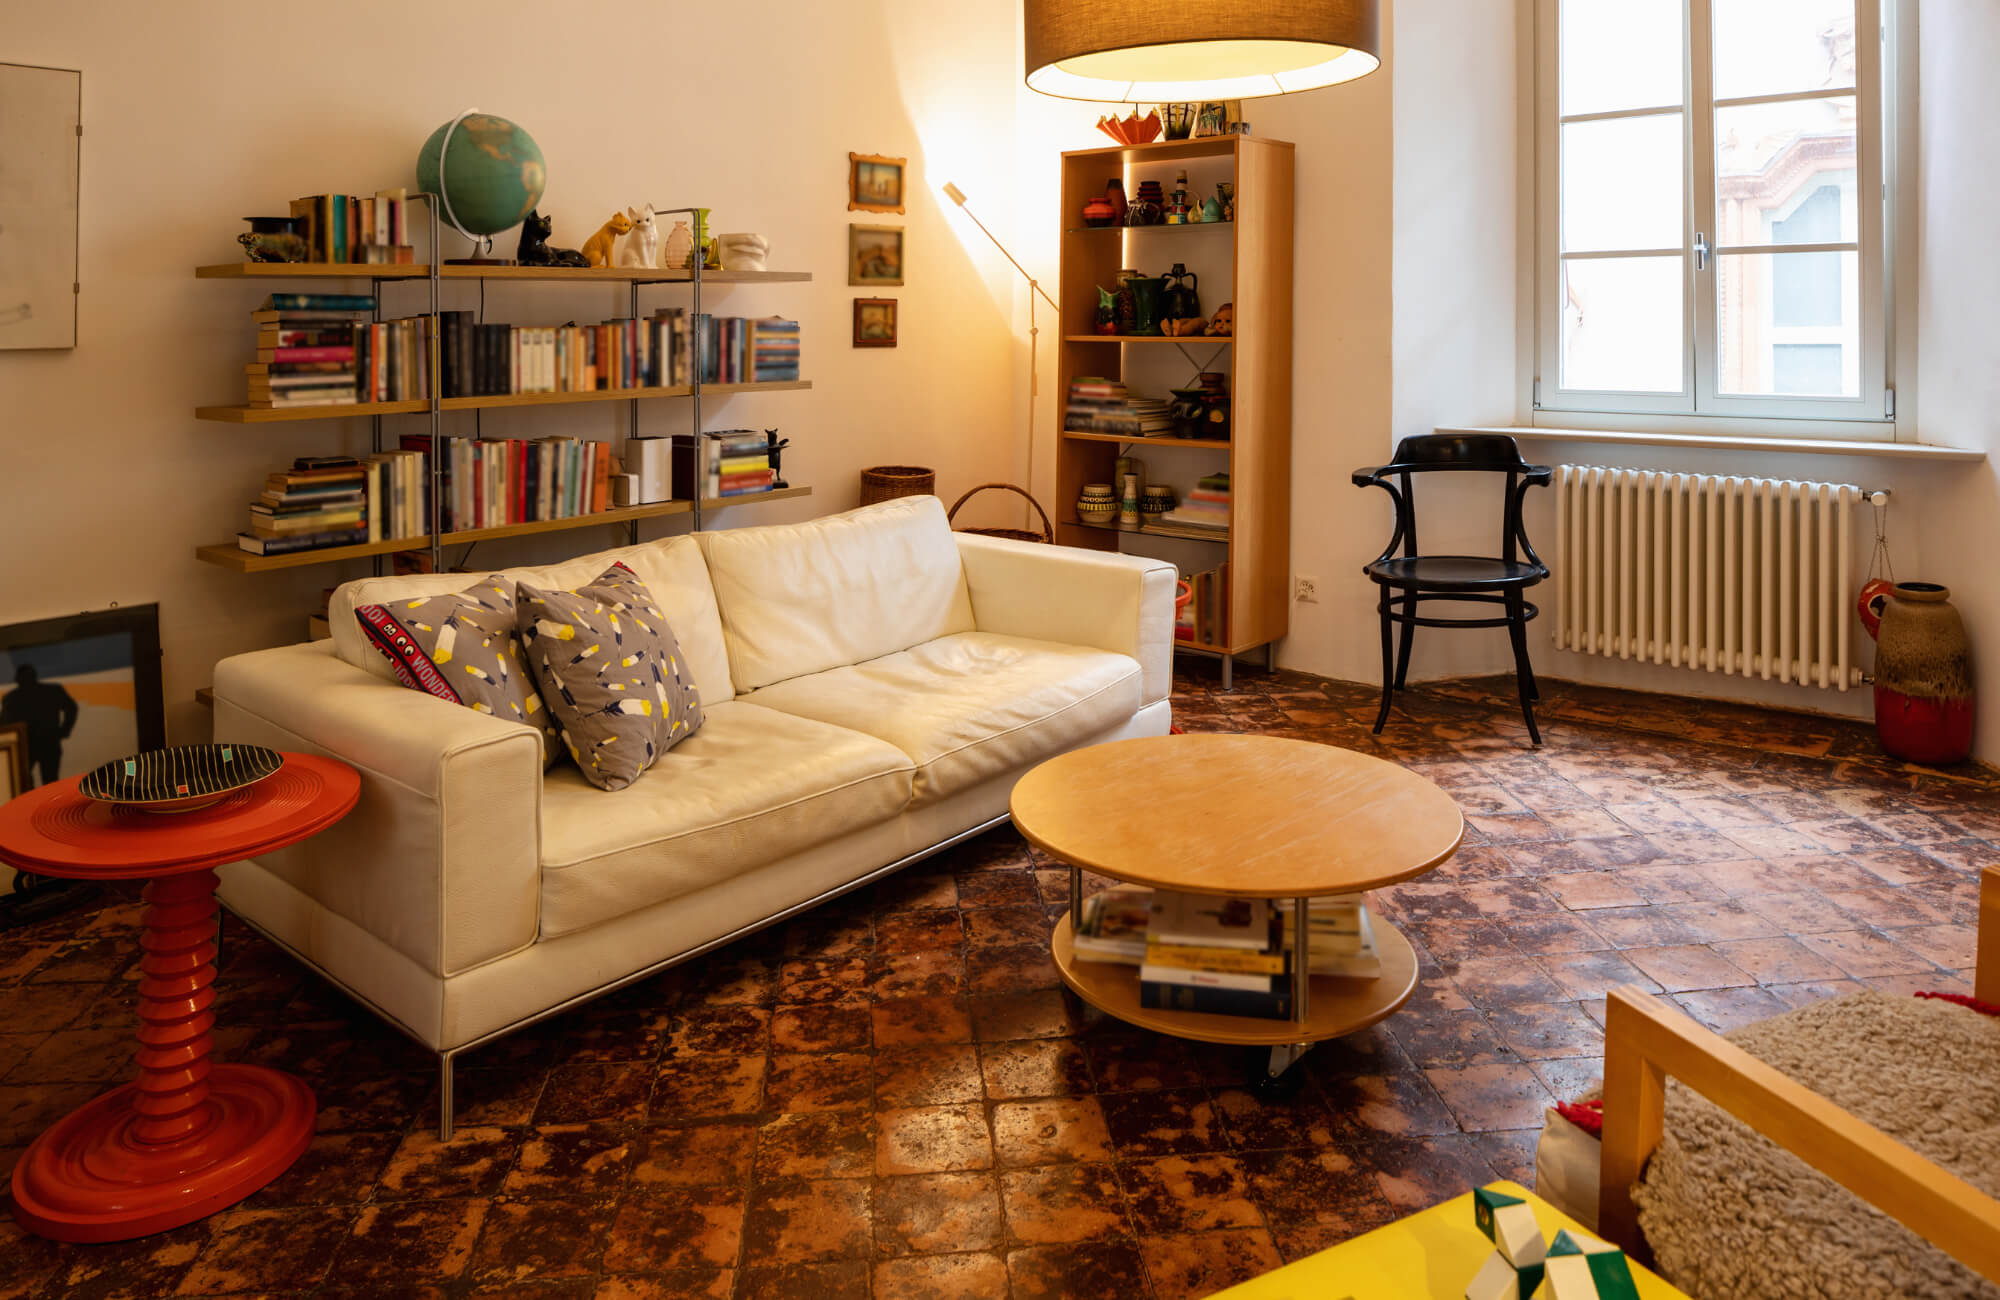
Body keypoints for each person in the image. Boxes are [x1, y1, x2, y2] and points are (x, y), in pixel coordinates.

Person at [0, 664, 78, 787]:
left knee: (41, 782)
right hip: (32, 746)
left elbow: (71, 708)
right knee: (35, 782)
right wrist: (64, 730)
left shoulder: (11, 698)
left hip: (36, 745)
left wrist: (64, 730)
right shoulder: (50, 691)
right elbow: (71, 708)